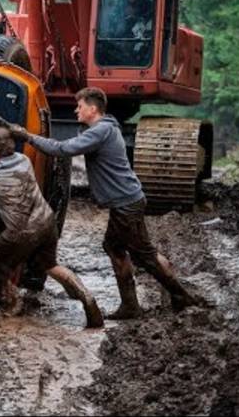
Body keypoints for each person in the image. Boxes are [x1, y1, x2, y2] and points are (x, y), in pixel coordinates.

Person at [12, 87, 207, 319]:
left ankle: (178, 297)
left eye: (80, 106)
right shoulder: (106, 127)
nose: (76, 110)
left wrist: (27, 137)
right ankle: (139, 303)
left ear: (92, 109)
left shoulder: (100, 131)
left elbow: (63, 149)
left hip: (126, 204)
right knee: (122, 248)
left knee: (143, 255)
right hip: (128, 202)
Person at [0, 121, 104, 327]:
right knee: (51, 266)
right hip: (46, 222)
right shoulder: (22, 160)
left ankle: (13, 305)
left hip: (21, 232)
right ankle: (87, 299)